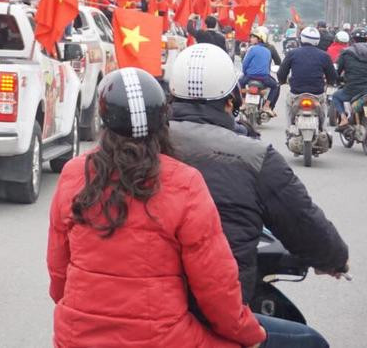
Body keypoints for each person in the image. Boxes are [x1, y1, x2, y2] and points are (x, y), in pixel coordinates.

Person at [47, 67, 266, 348]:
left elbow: (58, 276)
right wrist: (249, 334)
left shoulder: (74, 173)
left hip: (74, 337)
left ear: (104, 121)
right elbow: (216, 288)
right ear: (164, 120)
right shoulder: (185, 182)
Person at [168, 43, 348, 347]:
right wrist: (334, 258)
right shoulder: (253, 155)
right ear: (231, 100)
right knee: (312, 343)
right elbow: (303, 221)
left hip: (139, 309)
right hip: (210, 317)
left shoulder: (136, 148)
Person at [278, 26, 338, 105]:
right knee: (323, 107)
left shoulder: (292, 53)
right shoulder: (324, 56)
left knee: (289, 104)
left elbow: (281, 73)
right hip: (317, 93)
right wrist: (330, 82)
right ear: (317, 40)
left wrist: (282, 81)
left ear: (301, 38)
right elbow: (332, 76)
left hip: (296, 92)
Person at [240, 27, 282, 115]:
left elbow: (245, 63)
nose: (251, 39)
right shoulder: (268, 50)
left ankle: (243, 103)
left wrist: (245, 73)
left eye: (253, 37)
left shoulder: (251, 49)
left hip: (250, 76)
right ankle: (267, 106)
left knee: (239, 84)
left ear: (259, 39)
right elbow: (272, 64)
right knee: (275, 86)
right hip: (264, 77)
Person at [332, 27, 367, 129]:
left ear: (352, 39)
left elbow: (337, 72)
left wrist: (337, 79)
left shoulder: (346, 52)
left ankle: (344, 119)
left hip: (352, 89)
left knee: (336, 96)